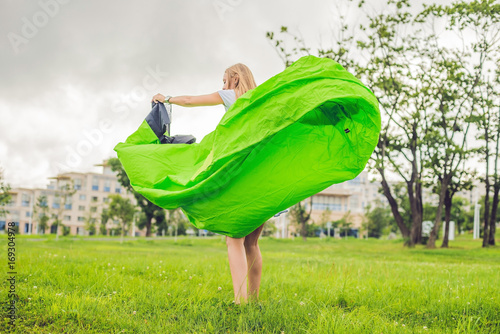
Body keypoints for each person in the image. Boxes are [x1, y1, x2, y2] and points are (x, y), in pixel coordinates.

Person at [151, 63, 263, 305]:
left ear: (234, 79)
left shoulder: (231, 95)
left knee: (234, 239)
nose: (223, 85)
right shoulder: (262, 99)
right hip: (262, 174)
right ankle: (254, 302)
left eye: (224, 80)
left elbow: (191, 100)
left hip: (241, 173)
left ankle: (240, 303)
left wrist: (166, 97)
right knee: (252, 242)